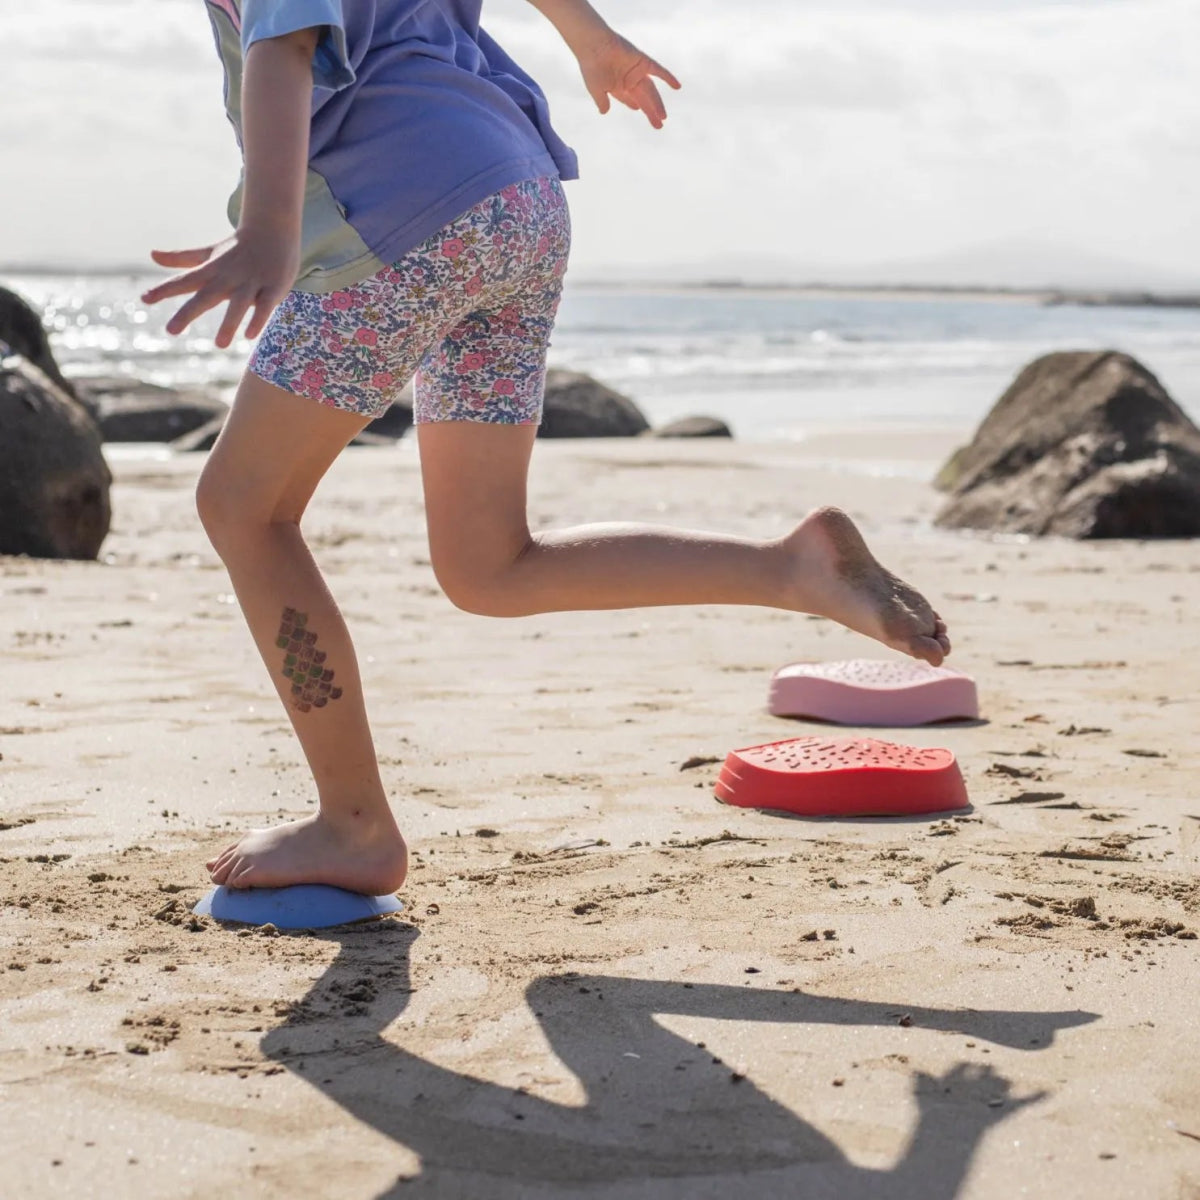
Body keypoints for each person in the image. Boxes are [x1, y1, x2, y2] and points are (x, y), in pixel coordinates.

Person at [144, 0, 950, 897]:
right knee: (489, 566)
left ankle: (355, 824)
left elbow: (288, 40)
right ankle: (789, 568)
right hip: (516, 202)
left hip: (408, 220)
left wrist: (269, 230)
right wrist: (590, 37)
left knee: (243, 508)